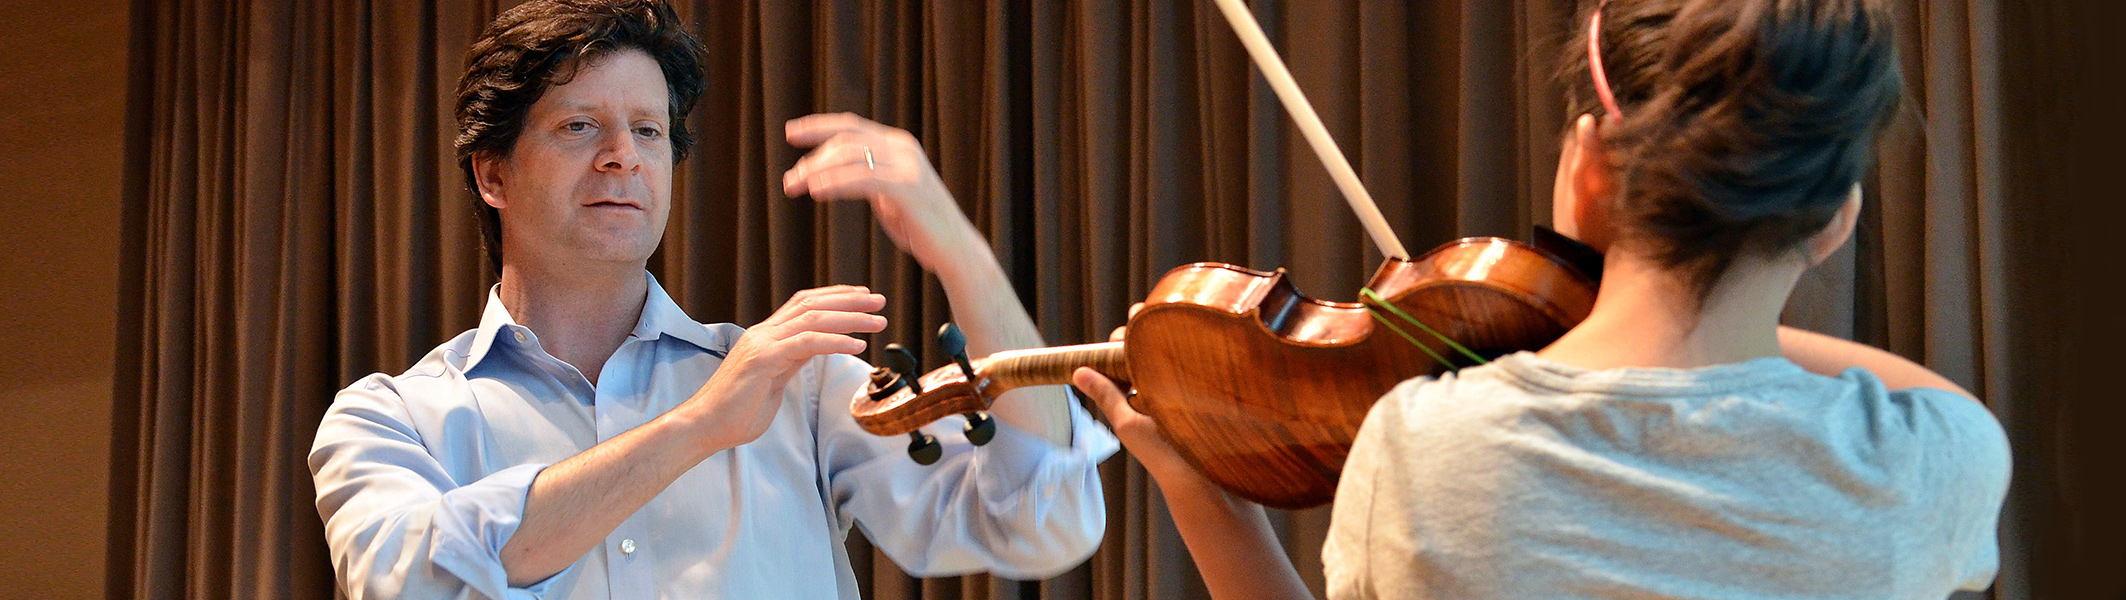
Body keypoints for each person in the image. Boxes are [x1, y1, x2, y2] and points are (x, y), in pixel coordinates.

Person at [1071, 0, 2010, 598]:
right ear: (1837, 219)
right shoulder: (1933, 463)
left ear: (1589, 166)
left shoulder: (1426, 449)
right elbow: (1951, 404)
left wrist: (1206, 496)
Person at [308, 1, 1116, 598]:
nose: (624, 156)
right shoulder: (387, 417)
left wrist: (959, 250)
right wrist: (697, 425)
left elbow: (1042, 522)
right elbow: (407, 576)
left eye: (650, 131)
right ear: (492, 175)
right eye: (580, 127)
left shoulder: (798, 389)